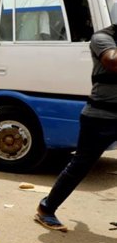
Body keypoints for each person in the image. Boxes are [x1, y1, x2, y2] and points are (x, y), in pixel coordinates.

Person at [35, 23, 117, 232]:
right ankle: (46, 208)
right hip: (100, 118)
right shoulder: (102, 38)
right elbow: (112, 61)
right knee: (79, 166)